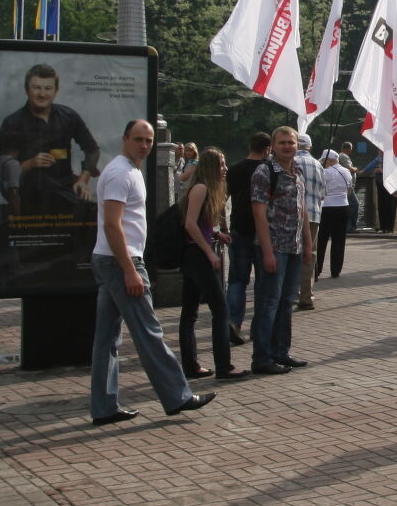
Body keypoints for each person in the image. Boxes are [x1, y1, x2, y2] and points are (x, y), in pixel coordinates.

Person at [89, 120, 212, 425]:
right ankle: (178, 396)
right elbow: (112, 224)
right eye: (138, 139)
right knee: (149, 332)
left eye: (148, 140)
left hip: (110, 259)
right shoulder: (120, 173)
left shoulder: (128, 170)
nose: (144, 145)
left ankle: (104, 407)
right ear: (124, 139)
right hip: (121, 261)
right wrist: (130, 270)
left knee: (107, 338)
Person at [176, 147, 246, 381]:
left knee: (190, 313)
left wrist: (216, 236)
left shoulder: (205, 189)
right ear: (211, 167)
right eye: (222, 165)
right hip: (197, 255)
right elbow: (190, 224)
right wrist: (209, 252)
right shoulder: (201, 188)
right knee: (220, 309)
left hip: (195, 252)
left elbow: (201, 226)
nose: (225, 169)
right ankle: (223, 366)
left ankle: (191, 365)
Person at [0, 63, 101, 215]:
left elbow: (92, 149)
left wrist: (83, 180)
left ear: (56, 91)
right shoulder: (13, 122)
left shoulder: (69, 116)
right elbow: (6, 171)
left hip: (64, 186)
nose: (42, 94)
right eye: (36, 88)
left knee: (91, 210)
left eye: (48, 88)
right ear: (27, 90)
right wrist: (30, 163)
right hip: (30, 192)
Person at [249, 126, 313, 374]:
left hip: (294, 247)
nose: (288, 146)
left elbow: (303, 211)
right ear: (273, 146)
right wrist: (266, 252)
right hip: (274, 246)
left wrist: (308, 245)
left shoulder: (297, 172)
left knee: (287, 302)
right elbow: (258, 212)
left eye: (292, 142)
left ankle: (280, 352)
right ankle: (262, 358)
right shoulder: (264, 172)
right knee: (269, 303)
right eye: (283, 142)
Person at [224, 132, 271, 344]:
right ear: (268, 149)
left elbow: (221, 199)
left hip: (238, 228)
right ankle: (258, 328)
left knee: (237, 280)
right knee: (263, 282)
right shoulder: (268, 170)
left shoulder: (234, 170)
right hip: (263, 231)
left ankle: (233, 322)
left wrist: (224, 227)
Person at [292, 133, 326, 312]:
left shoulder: (291, 162)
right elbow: (322, 193)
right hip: (313, 214)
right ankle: (306, 296)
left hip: (292, 214)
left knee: (290, 253)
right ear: (310, 147)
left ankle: (290, 293)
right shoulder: (318, 164)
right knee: (309, 254)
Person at [315, 149, 355, 281]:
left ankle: (317, 269)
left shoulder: (324, 172)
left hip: (326, 208)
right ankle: (336, 270)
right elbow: (349, 190)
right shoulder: (346, 171)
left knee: (321, 240)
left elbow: (320, 190)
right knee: (339, 240)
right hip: (343, 207)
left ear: (329, 160)